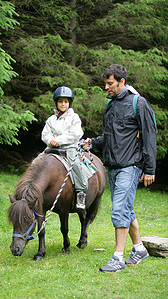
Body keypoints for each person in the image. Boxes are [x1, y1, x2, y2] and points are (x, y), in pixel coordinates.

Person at [83, 64, 157, 272]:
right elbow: (110, 136)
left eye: (110, 84)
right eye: (105, 84)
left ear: (122, 82)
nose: (106, 87)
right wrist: (93, 142)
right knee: (126, 208)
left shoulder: (138, 103)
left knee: (119, 210)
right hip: (113, 167)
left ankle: (118, 258)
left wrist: (149, 169)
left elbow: (150, 137)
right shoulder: (110, 105)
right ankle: (139, 248)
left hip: (131, 166)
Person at [41, 86, 88, 209]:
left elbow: (76, 133)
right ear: (56, 102)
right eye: (60, 101)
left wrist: (58, 140)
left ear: (69, 103)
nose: (63, 104)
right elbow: (45, 134)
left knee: (77, 167)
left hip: (69, 149)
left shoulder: (74, 117)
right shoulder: (51, 119)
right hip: (51, 149)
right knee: (36, 163)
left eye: (65, 101)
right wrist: (50, 140)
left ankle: (81, 193)